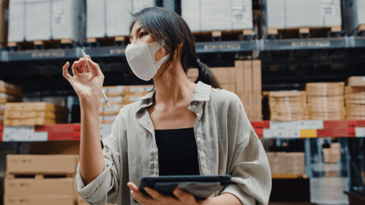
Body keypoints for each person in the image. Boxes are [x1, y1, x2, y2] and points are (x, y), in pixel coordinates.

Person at [62, 7, 271, 205]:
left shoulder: (224, 106)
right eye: (130, 39)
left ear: (177, 41)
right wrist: (89, 103)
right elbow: (95, 189)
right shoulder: (129, 117)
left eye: (142, 34)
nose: (132, 46)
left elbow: (250, 184)